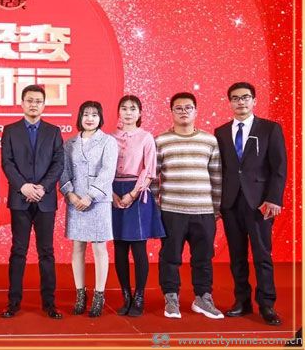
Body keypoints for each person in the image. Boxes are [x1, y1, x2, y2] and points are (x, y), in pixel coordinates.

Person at [215, 82, 286, 326]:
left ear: (254, 100)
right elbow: (220, 169)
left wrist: (274, 198)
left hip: (260, 203)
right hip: (230, 202)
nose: (241, 102)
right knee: (237, 256)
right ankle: (242, 301)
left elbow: (279, 167)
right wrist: (218, 203)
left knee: (262, 254)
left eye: (245, 97)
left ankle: (267, 304)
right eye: (235, 98)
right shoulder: (221, 132)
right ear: (230, 102)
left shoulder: (269, 129)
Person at [154, 92, 223, 320]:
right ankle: (171, 298)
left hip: (204, 211)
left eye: (188, 108)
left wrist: (216, 208)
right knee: (170, 257)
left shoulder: (209, 141)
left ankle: (203, 298)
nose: (183, 111)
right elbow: (153, 178)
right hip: (171, 210)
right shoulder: (161, 141)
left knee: (203, 258)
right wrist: (155, 207)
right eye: (179, 108)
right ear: (171, 112)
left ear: (196, 111)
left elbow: (216, 177)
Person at [0, 85, 64, 319]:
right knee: (18, 251)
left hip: (45, 200)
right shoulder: (10, 130)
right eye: (29, 100)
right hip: (20, 199)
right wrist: (23, 186)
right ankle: (13, 303)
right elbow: (7, 163)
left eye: (38, 101)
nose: (34, 104)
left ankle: (49, 304)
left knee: (46, 252)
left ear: (44, 105)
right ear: (22, 103)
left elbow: (58, 163)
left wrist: (42, 188)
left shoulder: (53, 131)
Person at [60, 101, 118, 317]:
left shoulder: (108, 142)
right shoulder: (69, 143)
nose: (90, 118)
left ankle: (99, 295)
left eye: (94, 114)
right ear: (80, 117)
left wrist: (90, 196)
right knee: (77, 247)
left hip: (98, 202)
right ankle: (80, 294)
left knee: (99, 248)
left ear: (100, 118)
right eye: (86, 114)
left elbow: (107, 172)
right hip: (75, 200)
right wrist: (70, 194)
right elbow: (63, 171)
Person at [110, 95, 165, 317]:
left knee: (138, 247)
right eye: (124, 108)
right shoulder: (109, 138)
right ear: (118, 112)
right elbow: (103, 168)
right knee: (119, 247)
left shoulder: (146, 137)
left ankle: (140, 296)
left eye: (133, 109)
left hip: (138, 191)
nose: (128, 112)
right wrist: (112, 193)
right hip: (113, 191)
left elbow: (149, 170)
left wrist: (133, 194)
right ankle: (126, 296)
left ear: (140, 113)